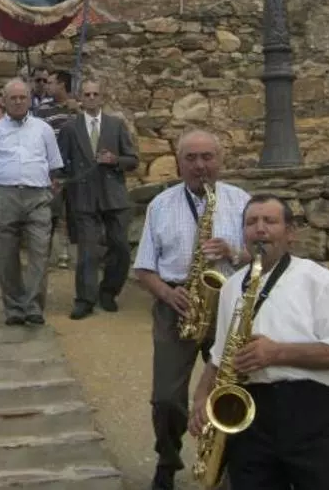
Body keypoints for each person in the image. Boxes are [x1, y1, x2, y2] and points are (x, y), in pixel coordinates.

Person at [188, 194, 329, 490]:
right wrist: (201, 397)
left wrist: (277, 353)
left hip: (310, 411)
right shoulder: (231, 286)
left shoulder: (316, 279)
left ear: (290, 233)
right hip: (249, 414)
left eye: (269, 221)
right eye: (251, 222)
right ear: (243, 233)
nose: (259, 229)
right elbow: (219, 356)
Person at [132, 129, 252, 490]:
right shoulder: (160, 205)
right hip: (178, 305)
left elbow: (263, 255)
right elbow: (143, 269)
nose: (200, 165)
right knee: (166, 398)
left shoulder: (242, 201)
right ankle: (168, 460)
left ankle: (225, 467)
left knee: (230, 391)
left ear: (221, 160)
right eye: (191, 158)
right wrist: (168, 294)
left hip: (229, 305)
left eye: (207, 157)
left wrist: (234, 252)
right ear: (179, 163)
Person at [0, 78, 63, 327]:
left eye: (22, 97)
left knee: (40, 253)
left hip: (38, 197)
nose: (17, 102)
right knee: (6, 256)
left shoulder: (44, 129)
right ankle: (14, 308)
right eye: (12, 98)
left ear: (29, 100)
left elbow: (55, 166)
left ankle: (33, 307)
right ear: (3, 101)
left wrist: (52, 192)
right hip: (4, 195)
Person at [58, 79, 139, 320]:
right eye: (87, 94)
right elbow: (61, 164)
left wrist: (115, 160)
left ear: (102, 97)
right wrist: (61, 181)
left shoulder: (116, 125)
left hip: (113, 195)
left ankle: (108, 291)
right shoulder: (70, 128)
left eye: (95, 94)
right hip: (83, 197)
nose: (91, 98)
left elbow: (132, 160)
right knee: (88, 251)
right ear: (80, 98)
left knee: (120, 248)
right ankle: (85, 299)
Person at [35, 69, 79, 269]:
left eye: (51, 82)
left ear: (62, 85)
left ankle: (68, 251)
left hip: (75, 168)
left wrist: (78, 111)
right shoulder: (43, 108)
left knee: (72, 212)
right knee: (52, 211)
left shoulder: (77, 108)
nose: (47, 86)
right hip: (52, 167)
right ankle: (47, 252)